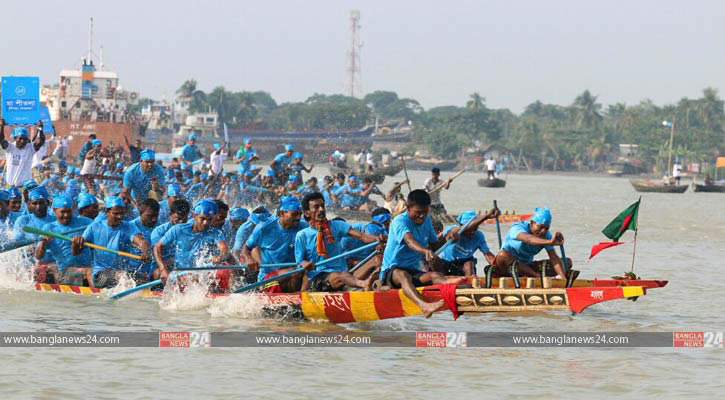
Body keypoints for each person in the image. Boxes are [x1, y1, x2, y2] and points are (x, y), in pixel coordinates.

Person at [379, 189, 465, 318]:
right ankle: (424, 306)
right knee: (403, 275)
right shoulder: (399, 222)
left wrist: (448, 239)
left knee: (435, 275)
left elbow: (435, 246)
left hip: (413, 270)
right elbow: (409, 241)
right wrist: (425, 251)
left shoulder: (427, 220)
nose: (422, 216)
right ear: (408, 208)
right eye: (418, 213)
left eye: (425, 212)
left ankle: (458, 286)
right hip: (391, 271)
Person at [295, 192, 382, 292]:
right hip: (319, 277)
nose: (321, 209)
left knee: (378, 258)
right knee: (343, 275)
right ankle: (365, 284)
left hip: (343, 274)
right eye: (316, 207)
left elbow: (362, 237)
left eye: (322, 206)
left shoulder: (337, 225)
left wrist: (378, 239)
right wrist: (305, 263)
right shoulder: (302, 235)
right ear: (307, 213)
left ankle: (381, 284)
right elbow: (299, 262)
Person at [72, 197, 152, 288]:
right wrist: (75, 243)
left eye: (122, 214)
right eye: (116, 213)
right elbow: (75, 253)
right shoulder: (94, 227)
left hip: (122, 272)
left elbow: (141, 241)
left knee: (143, 279)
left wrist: (146, 252)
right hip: (100, 273)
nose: (119, 217)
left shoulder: (128, 226)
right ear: (107, 213)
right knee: (122, 277)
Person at [154, 199, 230, 284]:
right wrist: (163, 269)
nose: (206, 223)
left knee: (225, 272)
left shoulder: (215, 233)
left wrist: (220, 256)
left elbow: (224, 248)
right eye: (202, 218)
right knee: (158, 273)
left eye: (209, 219)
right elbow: (157, 247)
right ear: (194, 216)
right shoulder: (178, 229)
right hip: (180, 274)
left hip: (202, 275)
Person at [243, 196, 309, 292]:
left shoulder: (304, 227)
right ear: (282, 213)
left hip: (294, 274)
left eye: (300, 214)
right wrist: (249, 259)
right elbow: (246, 248)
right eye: (294, 214)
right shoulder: (264, 228)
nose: (298, 218)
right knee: (296, 271)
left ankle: (302, 297)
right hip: (269, 277)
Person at [493, 207, 569, 278]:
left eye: (546, 228)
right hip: (506, 266)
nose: (543, 231)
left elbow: (553, 257)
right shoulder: (518, 228)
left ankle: (538, 276)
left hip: (527, 266)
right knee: (502, 255)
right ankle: (536, 276)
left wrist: (563, 277)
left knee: (567, 263)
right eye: (541, 227)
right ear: (532, 223)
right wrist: (550, 242)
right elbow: (528, 239)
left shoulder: (546, 235)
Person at [35, 195, 94, 286]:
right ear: (54, 211)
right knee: (89, 272)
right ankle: (99, 298)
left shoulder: (86, 222)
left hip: (87, 267)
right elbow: (38, 256)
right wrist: (43, 242)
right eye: (63, 212)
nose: (66, 215)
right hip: (64, 273)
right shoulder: (49, 228)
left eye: (69, 211)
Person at [435, 210, 499, 277]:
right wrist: (486, 216)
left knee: (469, 264)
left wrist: (498, 266)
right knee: (434, 260)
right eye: (470, 229)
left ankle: (469, 283)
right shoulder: (453, 229)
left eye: (475, 228)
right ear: (460, 225)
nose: (472, 232)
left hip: (465, 265)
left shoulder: (479, 236)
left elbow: (487, 254)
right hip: (447, 263)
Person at [13, 187, 57, 282]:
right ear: (29, 204)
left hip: (53, 264)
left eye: (41, 203)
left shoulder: (56, 220)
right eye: (35, 203)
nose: (38, 207)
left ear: (48, 203)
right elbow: (17, 246)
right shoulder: (23, 221)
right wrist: (30, 249)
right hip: (31, 265)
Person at [0, 119, 46, 187]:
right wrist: (1, 126)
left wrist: (40, 129)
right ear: (15, 138)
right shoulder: (10, 147)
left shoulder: (30, 148)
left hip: (26, 187)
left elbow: (41, 141)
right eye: (20, 138)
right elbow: (1, 139)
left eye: (25, 139)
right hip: (10, 186)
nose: (22, 141)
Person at [150, 199, 190, 272]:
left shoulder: (190, 230)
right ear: (170, 214)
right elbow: (156, 250)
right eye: (178, 219)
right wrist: (164, 267)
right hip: (161, 267)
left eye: (184, 220)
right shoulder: (158, 231)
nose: (180, 223)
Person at [129, 199, 161, 279]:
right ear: (140, 213)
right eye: (150, 216)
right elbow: (140, 241)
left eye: (156, 215)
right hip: (134, 270)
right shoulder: (130, 226)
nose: (154, 219)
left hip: (152, 271)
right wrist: (146, 252)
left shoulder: (160, 227)